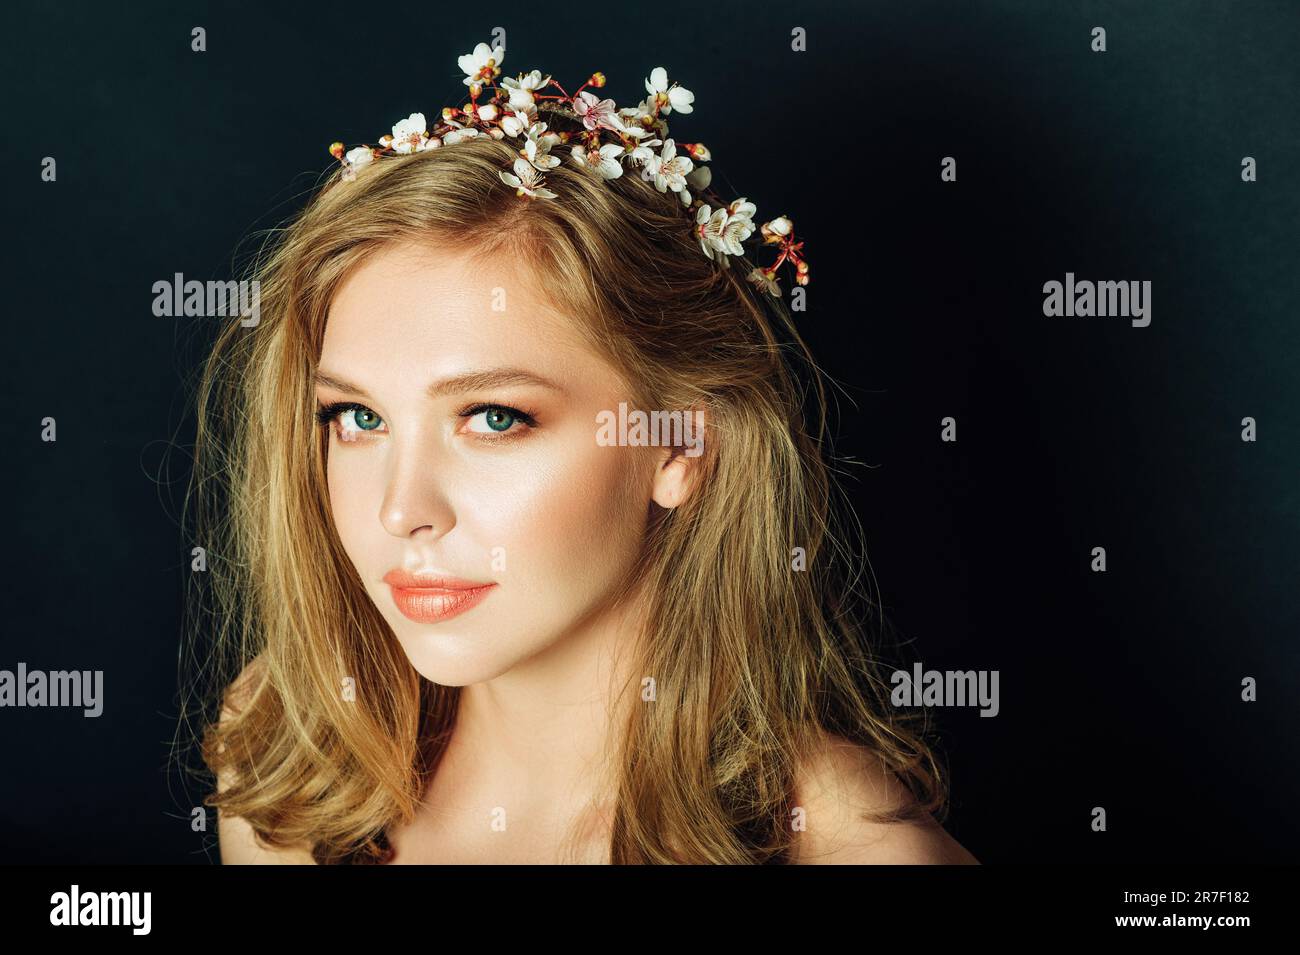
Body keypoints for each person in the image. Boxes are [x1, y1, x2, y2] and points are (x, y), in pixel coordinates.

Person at [188, 44, 977, 865]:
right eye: (355, 416)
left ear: (678, 445)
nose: (400, 510)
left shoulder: (847, 851)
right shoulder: (286, 748)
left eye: (492, 417)